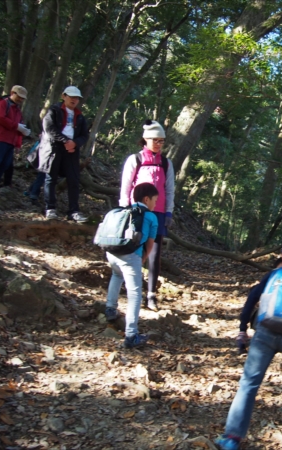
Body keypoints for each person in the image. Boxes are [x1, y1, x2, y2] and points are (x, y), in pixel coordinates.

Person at [216, 236, 282, 450]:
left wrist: (243, 329)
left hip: (265, 333)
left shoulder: (273, 275)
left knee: (249, 383)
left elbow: (252, 298)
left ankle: (232, 438)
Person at [119, 120, 175, 311]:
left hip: (158, 214)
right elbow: (126, 186)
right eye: (155, 140)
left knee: (155, 254)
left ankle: (151, 295)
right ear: (145, 139)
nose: (159, 144)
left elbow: (169, 190)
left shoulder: (166, 164)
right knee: (134, 249)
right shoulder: (135, 160)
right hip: (137, 212)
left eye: (162, 141)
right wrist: (124, 209)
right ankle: (130, 289)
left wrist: (169, 211)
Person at [104, 182, 159, 349]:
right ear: (146, 198)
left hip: (112, 252)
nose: (155, 204)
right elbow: (150, 244)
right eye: (154, 200)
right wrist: (142, 259)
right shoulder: (150, 216)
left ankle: (110, 309)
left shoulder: (122, 210)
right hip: (131, 255)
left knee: (116, 275)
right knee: (135, 294)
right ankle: (131, 335)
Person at [38, 86, 89, 222]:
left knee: (73, 179)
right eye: (71, 96)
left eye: (76, 98)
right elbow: (49, 128)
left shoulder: (80, 116)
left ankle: (74, 211)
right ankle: (50, 208)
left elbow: (85, 135)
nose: (74, 100)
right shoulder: (54, 111)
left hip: (72, 150)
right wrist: (65, 141)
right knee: (51, 178)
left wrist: (75, 143)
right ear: (64, 96)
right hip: (54, 148)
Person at [0, 85, 31, 195]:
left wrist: (19, 141)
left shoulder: (18, 110)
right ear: (12, 93)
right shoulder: (3, 103)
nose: (21, 100)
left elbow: (20, 126)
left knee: (4, 164)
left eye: (23, 98)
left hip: (10, 141)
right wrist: (16, 126)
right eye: (19, 97)